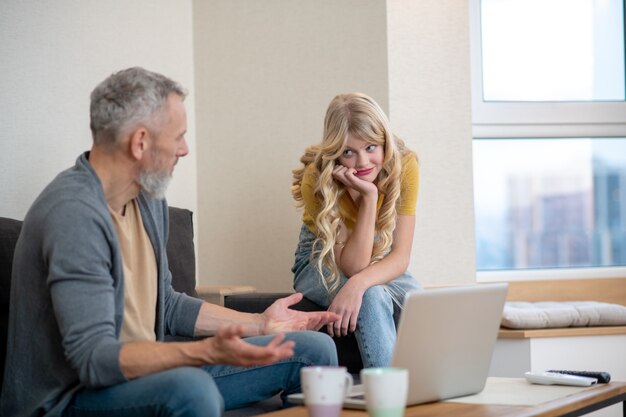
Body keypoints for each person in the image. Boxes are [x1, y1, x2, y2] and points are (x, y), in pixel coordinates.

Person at [0, 67, 340, 417]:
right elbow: (95, 361)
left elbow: (170, 306)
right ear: (140, 142)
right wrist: (206, 352)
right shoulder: (73, 215)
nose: (185, 149)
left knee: (314, 351)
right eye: (178, 136)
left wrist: (259, 325)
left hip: (144, 378)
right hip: (71, 399)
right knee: (189, 389)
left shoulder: (147, 197)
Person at [291, 92, 422, 368]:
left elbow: (399, 257)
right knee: (373, 296)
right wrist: (369, 199)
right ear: (336, 153)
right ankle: (387, 396)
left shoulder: (405, 165)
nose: (363, 162)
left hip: (376, 256)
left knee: (422, 304)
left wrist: (358, 284)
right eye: (349, 152)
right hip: (320, 256)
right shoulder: (317, 179)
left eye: (371, 147)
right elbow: (352, 265)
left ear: (384, 142)